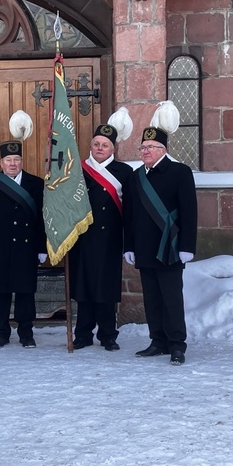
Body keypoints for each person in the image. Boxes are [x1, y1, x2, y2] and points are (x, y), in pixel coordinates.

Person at [124, 102, 197, 366]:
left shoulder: (180, 172)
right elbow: (129, 215)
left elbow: (189, 212)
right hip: (144, 247)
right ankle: (158, 341)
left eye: (150, 148)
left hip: (170, 246)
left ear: (163, 150)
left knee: (171, 298)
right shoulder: (135, 177)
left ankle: (177, 344)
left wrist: (187, 246)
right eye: (142, 148)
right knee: (152, 298)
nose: (145, 151)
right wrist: (128, 246)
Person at [0, 124, 47, 349]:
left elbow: (43, 218)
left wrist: (42, 247)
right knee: (2, 292)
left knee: (26, 292)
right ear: (2, 162)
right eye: (8, 160)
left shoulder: (35, 184)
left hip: (27, 247)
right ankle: (1, 333)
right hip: (0, 247)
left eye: (16, 159)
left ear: (22, 162)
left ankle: (26, 332)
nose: (13, 164)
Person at [69, 108, 133, 352]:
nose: (99, 148)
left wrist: (129, 243)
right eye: (96, 144)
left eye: (104, 145)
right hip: (83, 238)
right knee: (84, 287)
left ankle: (108, 334)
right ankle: (83, 333)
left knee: (106, 288)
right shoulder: (77, 170)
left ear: (113, 149)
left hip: (110, 238)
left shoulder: (124, 173)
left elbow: (130, 210)